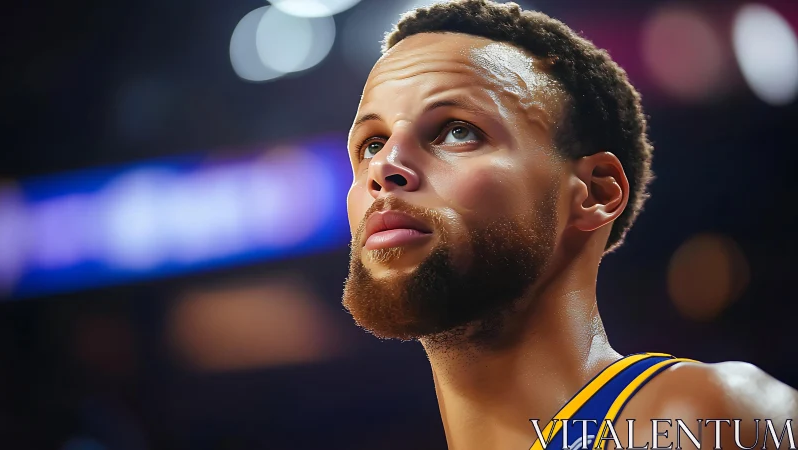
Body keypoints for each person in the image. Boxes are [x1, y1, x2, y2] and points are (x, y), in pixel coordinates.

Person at [340, 1, 798, 449]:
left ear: (595, 193)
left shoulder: (694, 418)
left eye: (458, 130)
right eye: (372, 143)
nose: (385, 166)